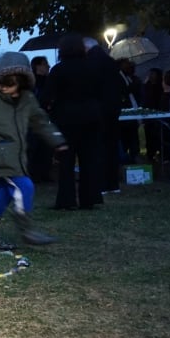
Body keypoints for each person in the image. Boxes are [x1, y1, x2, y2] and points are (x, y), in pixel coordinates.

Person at [0, 52, 67, 250]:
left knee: (4, 193)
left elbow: (40, 121)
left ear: (21, 82)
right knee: (25, 186)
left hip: (17, 156)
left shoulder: (27, 99)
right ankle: (27, 229)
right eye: (2, 83)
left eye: (10, 84)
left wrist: (57, 140)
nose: (4, 88)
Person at [40, 34, 103, 210]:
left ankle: (66, 200)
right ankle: (89, 198)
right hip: (91, 117)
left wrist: (47, 108)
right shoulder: (92, 68)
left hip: (66, 119)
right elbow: (100, 92)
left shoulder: (59, 70)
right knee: (88, 159)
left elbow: (47, 96)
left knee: (66, 162)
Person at [83, 37, 124, 194]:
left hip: (98, 111)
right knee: (112, 147)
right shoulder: (110, 62)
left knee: (98, 148)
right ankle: (113, 184)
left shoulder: (91, 63)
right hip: (113, 110)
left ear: (86, 48)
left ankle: (101, 184)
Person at [27, 56, 54, 183]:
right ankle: (33, 174)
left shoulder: (49, 81)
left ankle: (44, 173)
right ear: (37, 66)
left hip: (46, 117)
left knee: (46, 148)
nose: (48, 66)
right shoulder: (31, 82)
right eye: (45, 64)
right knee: (33, 147)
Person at [117, 59, 142, 164]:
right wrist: (134, 85)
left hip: (132, 110)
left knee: (132, 136)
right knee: (127, 137)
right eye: (126, 65)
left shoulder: (129, 77)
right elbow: (123, 91)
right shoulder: (118, 77)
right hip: (125, 113)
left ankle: (133, 156)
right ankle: (128, 158)